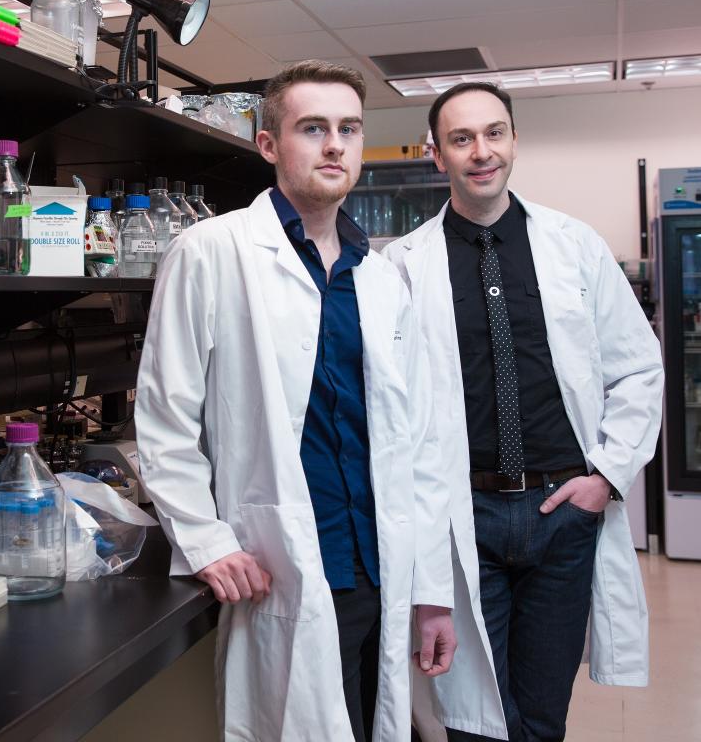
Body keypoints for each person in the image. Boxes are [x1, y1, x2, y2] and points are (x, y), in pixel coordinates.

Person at [135, 60, 458, 741]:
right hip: (290, 567)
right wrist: (204, 539)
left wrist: (432, 587)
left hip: (382, 565)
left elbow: (416, 443)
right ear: (268, 144)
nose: (334, 145)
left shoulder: (381, 275)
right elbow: (165, 417)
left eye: (348, 128)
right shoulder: (210, 252)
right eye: (312, 128)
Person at [387, 83, 663, 742]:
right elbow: (392, 407)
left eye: (494, 133)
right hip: (463, 523)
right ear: (436, 154)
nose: (481, 152)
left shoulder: (576, 246)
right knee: (470, 720)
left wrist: (602, 480)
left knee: (541, 715)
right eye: (462, 139)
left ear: (513, 140)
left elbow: (639, 368)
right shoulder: (402, 267)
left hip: (560, 517)